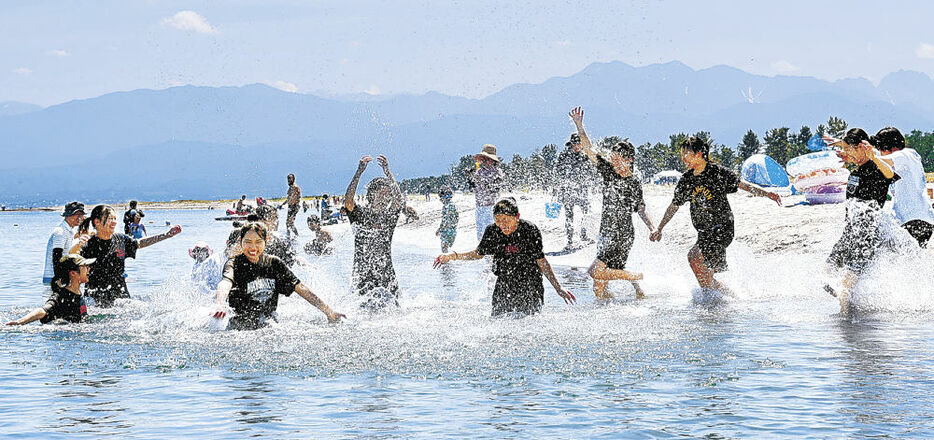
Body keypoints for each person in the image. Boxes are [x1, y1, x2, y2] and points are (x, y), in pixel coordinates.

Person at [650, 136, 782, 297]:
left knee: (693, 257)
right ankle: (729, 298)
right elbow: (674, 205)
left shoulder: (717, 172)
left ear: (699, 153)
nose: (683, 158)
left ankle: (713, 299)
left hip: (722, 227)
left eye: (687, 153)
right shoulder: (686, 179)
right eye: (682, 154)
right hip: (704, 232)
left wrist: (767, 193)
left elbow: (742, 185)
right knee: (706, 273)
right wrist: (660, 227)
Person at [433, 198, 576, 316]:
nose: (502, 225)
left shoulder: (529, 230)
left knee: (528, 325)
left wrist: (559, 288)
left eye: (506, 220)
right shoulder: (492, 230)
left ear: (517, 217)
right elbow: (478, 254)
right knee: (497, 321)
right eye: (498, 220)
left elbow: (542, 261)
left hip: (530, 284)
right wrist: (452, 256)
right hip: (504, 283)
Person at [569, 107, 655, 299]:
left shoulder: (633, 182)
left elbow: (641, 209)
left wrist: (652, 228)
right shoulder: (609, 171)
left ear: (629, 159)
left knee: (595, 271)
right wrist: (579, 125)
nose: (614, 163)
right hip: (605, 232)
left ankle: (635, 277)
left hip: (622, 235)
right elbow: (589, 150)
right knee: (599, 290)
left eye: (617, 160)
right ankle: (635, 290)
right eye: (613, 159)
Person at [211, 222, 345, 330]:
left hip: (270, 326)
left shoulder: (274, 263)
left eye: (258, 242)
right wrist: (219, 304)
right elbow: (225, 283)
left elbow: (301, 288)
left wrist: (329, 312)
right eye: (247, 242)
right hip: (240, 329)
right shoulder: (234, 263)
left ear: (266, 241)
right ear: (240, 242)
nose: (253, 247)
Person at [822, 129, 900, 312]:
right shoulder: (856, 171)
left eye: (848, 149)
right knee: (825, 279)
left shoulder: (877, 167)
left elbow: (890, 175)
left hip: (866, 235)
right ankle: (856, 308)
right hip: (849, 233)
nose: (844, 153)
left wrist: (872, 155)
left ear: (859, 147)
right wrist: (850, 154)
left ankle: (851, 325)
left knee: (845, 288)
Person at [78, 205, 183, 307]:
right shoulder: (87, 245)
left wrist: (166, 235)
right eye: (110, 218)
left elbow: (140, 243)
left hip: (121, 299)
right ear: (97, 222)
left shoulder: (120, 239)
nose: (114, 222)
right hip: (95, 301)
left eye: (115, 218)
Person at [344, 154, 405, 309]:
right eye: (382, 194)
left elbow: (399, 201)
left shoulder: (388, 218)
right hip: (363, 275)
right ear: (371, 195)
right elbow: (348, 201)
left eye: (388, 195)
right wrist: (358, 173)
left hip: (387, 275)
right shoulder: (360, 215)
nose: (386, 198)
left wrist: (389, 173)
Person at [873, 127, 934, 247]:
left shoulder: (905, 154)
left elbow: (884, 160)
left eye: (881, 150)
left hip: (916, 221)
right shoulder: (905, 157)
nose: (879, 153)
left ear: (892, 148)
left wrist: (869, 157)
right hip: (911, 221)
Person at [8, 254, 94, 325]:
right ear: (73, 273)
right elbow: (42, 311)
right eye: (85, 266)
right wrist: (19, 322)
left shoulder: (77, 292)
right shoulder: (61, 296)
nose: (88, 269)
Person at [554, 132, 597, 249]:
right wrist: (557, 187)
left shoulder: (584, 155)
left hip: (582, 189)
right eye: (576, 144)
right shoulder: (564, 155)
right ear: (572, 144)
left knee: (586, 213)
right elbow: (558, 171)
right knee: (569, 216)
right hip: (567, 191)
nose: (578, 146)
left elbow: (590, 171)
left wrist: (592, 183)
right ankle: (570, 241)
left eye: (579, 144)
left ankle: (584, 236)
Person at [465, 144, 504, 242]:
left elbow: (493, 188)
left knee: (490, 235)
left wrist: (480, 180)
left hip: (491, 208)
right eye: (483, 159)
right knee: (480, 236)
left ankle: (492, 256)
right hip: (479, 208)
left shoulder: (498, 172)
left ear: (493, 160)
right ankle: (485, 257)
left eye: (488, 159)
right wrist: (470, 177)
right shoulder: (479, 172)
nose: (485, 161)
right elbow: (472, 189)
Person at [42, 201, 86, 284]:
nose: (80, 218)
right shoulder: (60, 231)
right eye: (77, 214)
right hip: (53, 278)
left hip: (59, 277)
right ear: (67, 215)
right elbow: (56, 257)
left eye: (82, 215)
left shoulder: (68, 231)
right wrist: (60, 279)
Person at [278, 173, 302, 237]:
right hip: (290, 206)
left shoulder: (296, 187)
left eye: (290, 178)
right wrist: (282, 204)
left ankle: (297, 236)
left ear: (293, 179)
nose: (288, 180)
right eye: (288, 178)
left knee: (290, 223)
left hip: (294, 206)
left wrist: (296, 207)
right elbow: (289, 199)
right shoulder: (290, 188)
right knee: (287, 223)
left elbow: (298, 197)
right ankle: (288, 236)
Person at [436, 186, 459, 253]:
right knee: (447, 248)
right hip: (453, 230)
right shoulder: (453, 205)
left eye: (441, 198)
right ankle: (449, 260)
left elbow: (445, 220)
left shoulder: (446, 206)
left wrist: (440, 229)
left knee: (444, 248)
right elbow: (456, 218)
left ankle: (446, 261)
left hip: (447, 231)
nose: (441, 200)